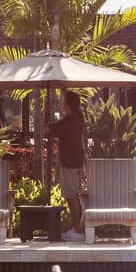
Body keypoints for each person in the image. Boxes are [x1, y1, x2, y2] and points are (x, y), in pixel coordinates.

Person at [51, 90, 87, 241]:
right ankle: (77, 228)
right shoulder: (78, 118)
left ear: (67, 104)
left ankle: (78, 231)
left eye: (62, 100)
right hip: (76, 161)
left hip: (70, 163)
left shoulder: (69, 120)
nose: (60, 103)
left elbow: (49, 129)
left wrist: (47, 114)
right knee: (73, 196)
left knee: (71, 196)